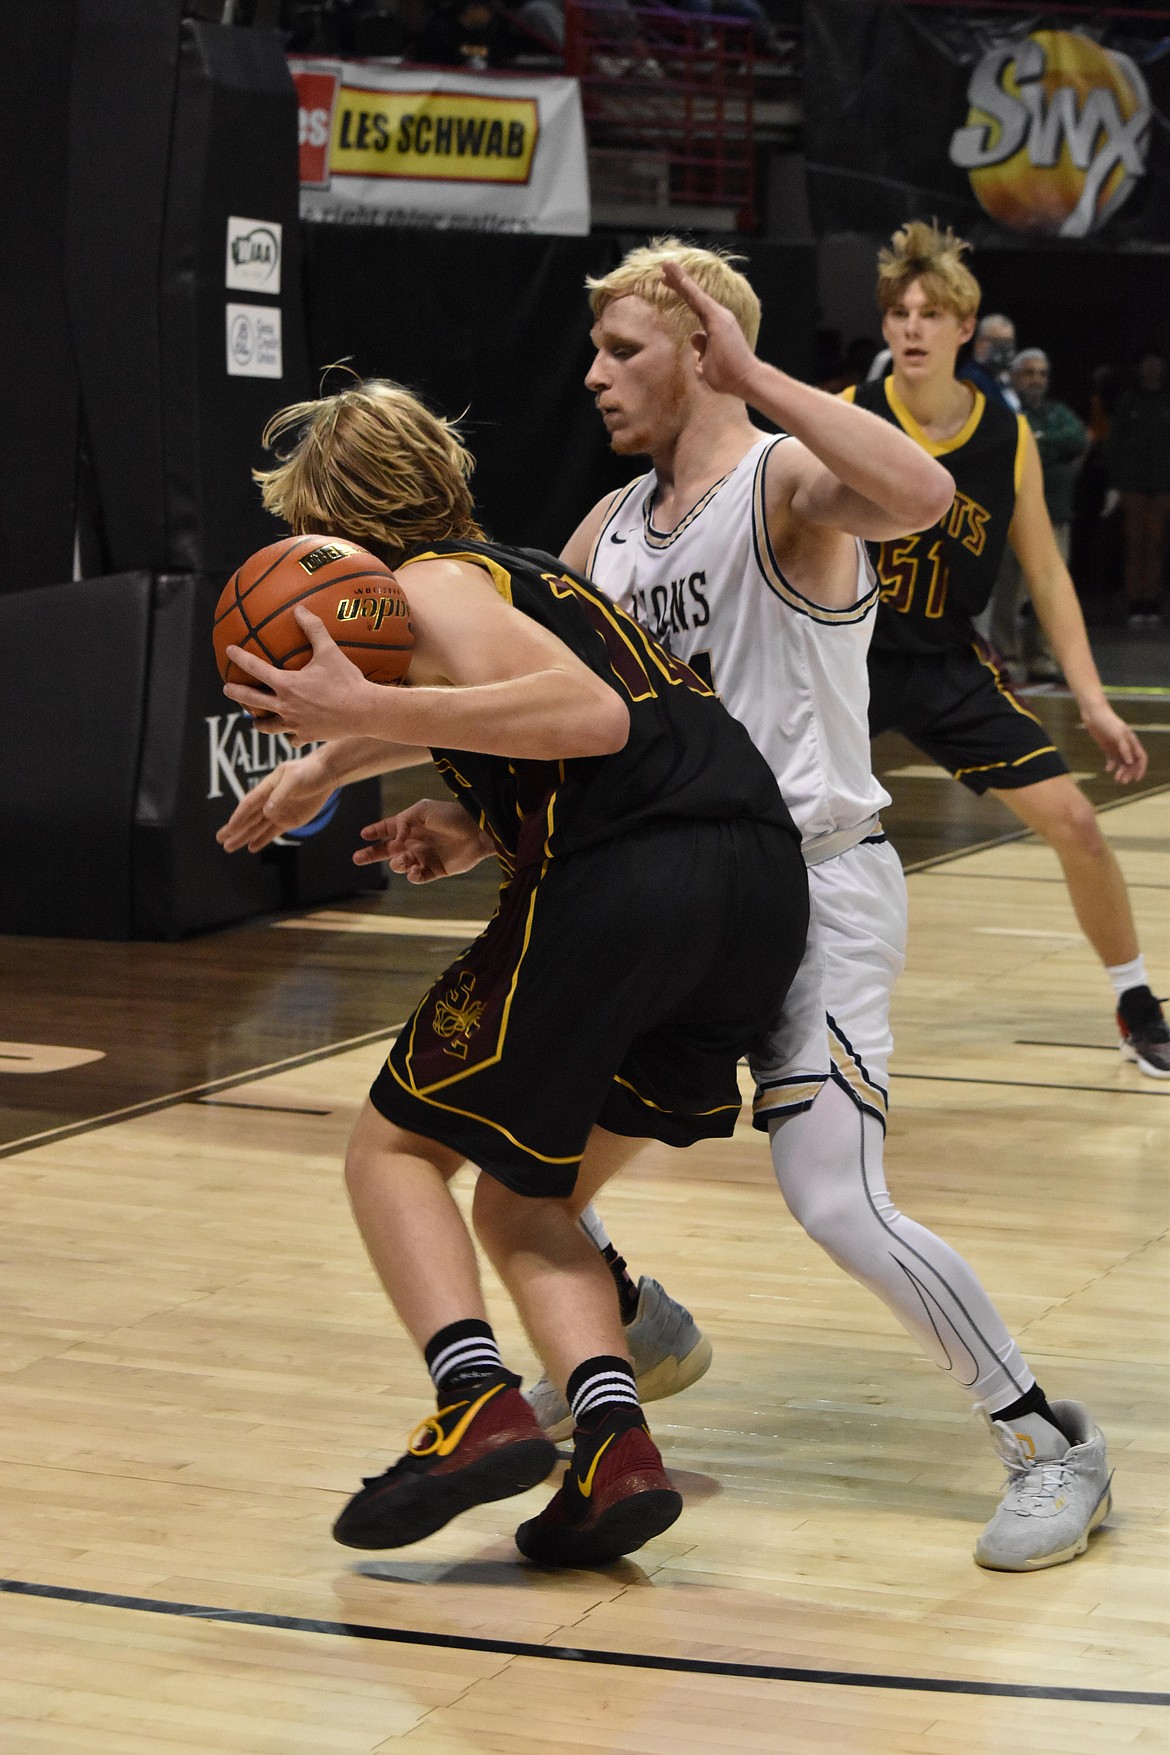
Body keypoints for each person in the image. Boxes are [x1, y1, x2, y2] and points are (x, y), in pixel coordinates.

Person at [526, 238, 1114, 1572]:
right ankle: (627, 1324)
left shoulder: (784, 480)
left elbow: (922, 492)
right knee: (526, 1152)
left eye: (622, 349)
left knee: (833, 1197)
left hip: (812, 885)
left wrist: (758, 379)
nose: (593, 374)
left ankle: (1048, 1439)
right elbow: (544, 698)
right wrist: (383, 770)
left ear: (699, 350)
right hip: (679, 898)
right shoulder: (606, 534)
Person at [216, 379, 810, 1568]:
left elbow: (591, 720)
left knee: (394, 1151)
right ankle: (613, 1452)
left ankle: (474, 1402)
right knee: (526, 1197)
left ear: (334, 533)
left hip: (633, 888)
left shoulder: (433, 585)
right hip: (751, 898)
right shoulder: (530, 580)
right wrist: (453, 810)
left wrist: (356, 712)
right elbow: (587, 735)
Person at [847, 221, 1169, 1081]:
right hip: (846, 664)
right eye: (900, 313)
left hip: (948, 661)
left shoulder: (1003, 433)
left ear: (965, 327)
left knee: (1077, 822)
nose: (912, 327)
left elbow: (1048, 573)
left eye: (931, 313)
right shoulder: (850, 412)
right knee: (756, 822)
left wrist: (1093, 700)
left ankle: (1137, 1003)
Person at [983, 348, 1088, 682]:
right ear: (1015, 377)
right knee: (1010, 592)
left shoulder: (1058, 413)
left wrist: (1038, 441)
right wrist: (1044, 447)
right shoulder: (1005, 411)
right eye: (1029, 373)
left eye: (1042, 374)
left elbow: (1078, 438)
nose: (1036, 380)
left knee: (1051, 591)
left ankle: (1042, 657)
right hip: (1014, 516)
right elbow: (1008, 447)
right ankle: (1007, 655)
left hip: (1054, 514)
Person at [1107, 349, 1170, 626]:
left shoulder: (1166, 401)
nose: (1152, 368)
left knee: (1156, 543)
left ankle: (1151, 601)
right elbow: (1115, 444)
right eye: (1147, 363)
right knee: (1133, 544)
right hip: (1132, 483)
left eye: (1157, 364)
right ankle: (1134, 601)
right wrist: (1114, 484)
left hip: (1163, 483)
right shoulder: (1128, 401)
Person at [961, 312, 1020, 411]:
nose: (1005, 348)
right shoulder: (970, 382)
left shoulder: (1006, 380)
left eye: (1008, 342)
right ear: (979, 344)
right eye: (998, 341)